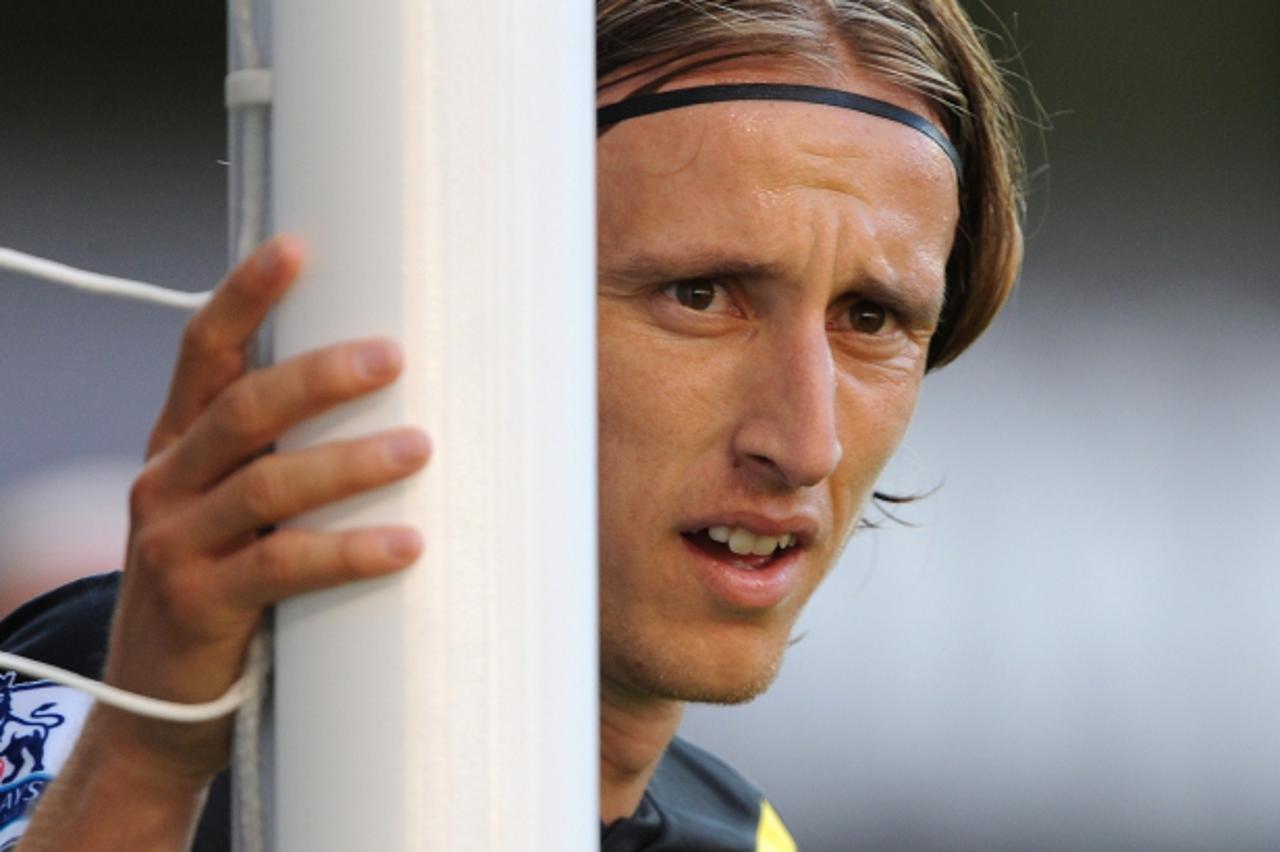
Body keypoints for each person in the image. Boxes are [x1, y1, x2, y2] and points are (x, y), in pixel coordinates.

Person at [0, 1, 1023, 848]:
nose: (803, 443)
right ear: (470, 308)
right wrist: (142, 760)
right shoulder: (104, 701)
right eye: (699, 295)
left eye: (872, 319)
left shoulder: (747, 833)